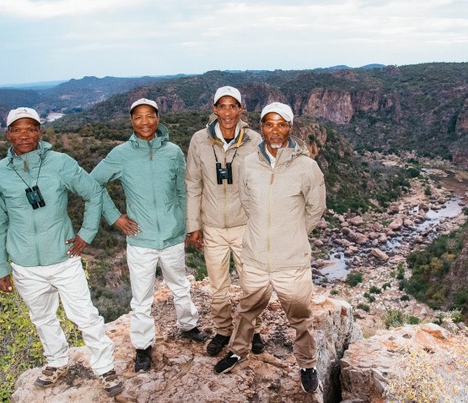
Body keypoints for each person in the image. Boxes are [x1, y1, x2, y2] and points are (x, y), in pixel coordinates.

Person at [0, 107, 123, 397]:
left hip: (64, 259)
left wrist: (86, 233)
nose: (24, 135)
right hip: (23, 265)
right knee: (42, 317)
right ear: (8, 134)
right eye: (17, 129)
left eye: (30, 128)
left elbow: (93, 193)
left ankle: (105, 367)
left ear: (40, 132)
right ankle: (56, 361)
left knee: (84, 315)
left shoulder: (60, 163)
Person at [213, 102, 326, 394]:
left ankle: (307, 363)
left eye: (281, 124)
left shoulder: (307, 167)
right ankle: (238, 350)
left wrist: (292, 235)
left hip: (291, 260)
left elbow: (315, 210)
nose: (274, 131)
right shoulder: (249, 163)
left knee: (300, 316)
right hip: (254, 257)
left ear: (290, 127)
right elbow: (246, 200)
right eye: (269, 124)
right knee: (247, 309)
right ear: (262, 128)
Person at [91, 98, 207, 374]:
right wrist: (115, 216)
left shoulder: (173, 152)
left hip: (171, 235)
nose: (144, 122)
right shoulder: (121, 154)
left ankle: (189, 326)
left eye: (149, 116)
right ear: (131, 121)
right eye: (137, 117)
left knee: (180, 284)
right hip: (140, 239)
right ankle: (143, 347)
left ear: (158, 118)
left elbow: (183, 191)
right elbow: (92, 182)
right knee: (141, 297)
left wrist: (191, 225)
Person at [185, 85, 266, 357]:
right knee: (218, 286)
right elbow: (193, 184)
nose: (228, 112)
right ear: (214, 109)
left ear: (241, 109)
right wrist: (193, 226)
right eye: (223, 106)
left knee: (250, 284)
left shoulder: (254, 140)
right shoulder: (199, 140)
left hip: (245, 225)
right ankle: (222, 331)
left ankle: (251, 330)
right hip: (213, 228)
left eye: (233, 106)